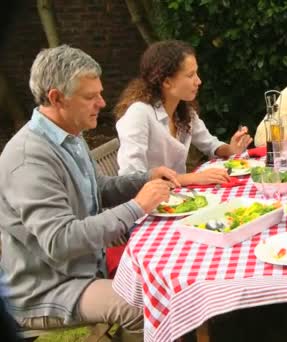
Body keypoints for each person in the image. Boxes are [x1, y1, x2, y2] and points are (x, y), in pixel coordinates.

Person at [0, 45, 179, 336]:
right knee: (148, 306)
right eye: (90, 96)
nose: (102, 102)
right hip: (47, 290)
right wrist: (136, 206)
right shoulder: (27, 159)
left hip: (85, 270)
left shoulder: (70, 135)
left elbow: (98, 189)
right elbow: (60, 240)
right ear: (57, 98)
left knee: (170, 269)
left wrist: (145, 178)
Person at [114, 40, 252, 186]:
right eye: (190, 75)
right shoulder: (139, 114)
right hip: (149, 203)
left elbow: (211, 145)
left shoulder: (184, 111)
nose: (198, 81)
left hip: (177, 196)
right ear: (167, 82)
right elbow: (131, 179)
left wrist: (230, 149)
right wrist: (192, 178)